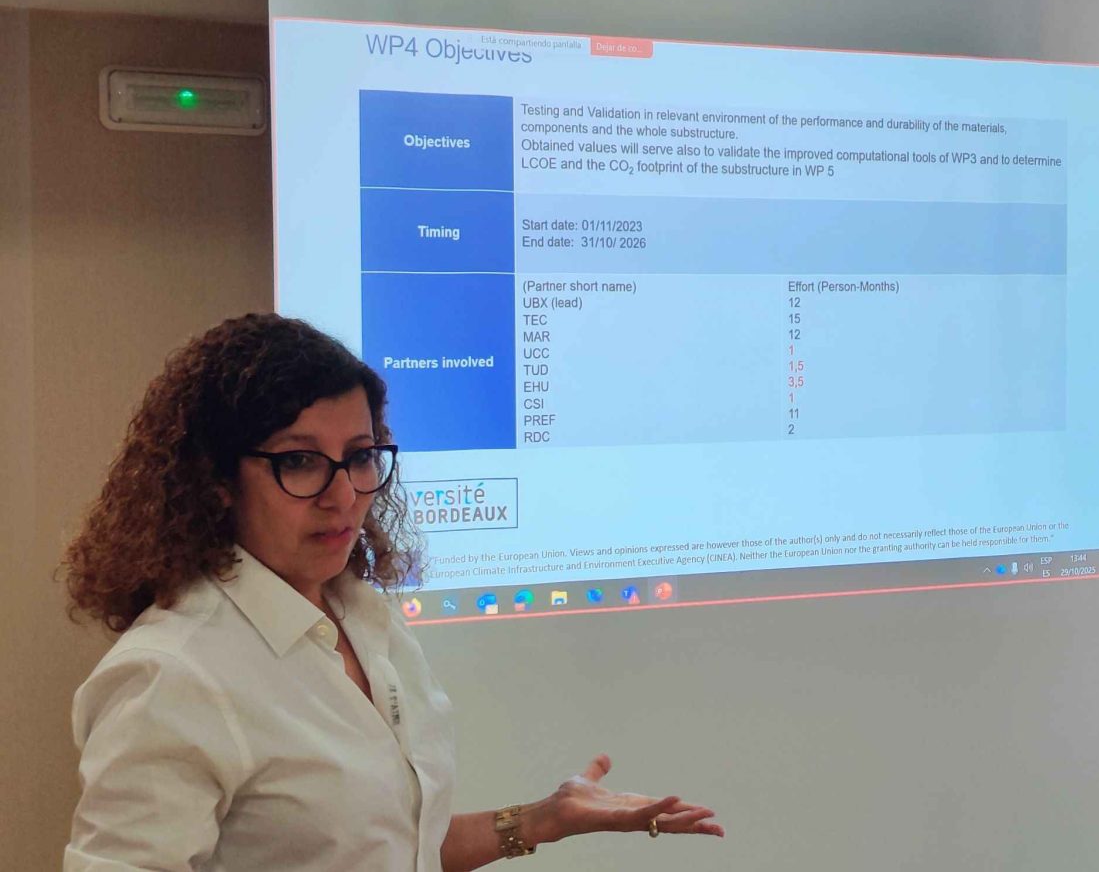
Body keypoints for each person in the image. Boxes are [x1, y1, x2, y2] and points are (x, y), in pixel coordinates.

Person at [62, 313, 722, 871]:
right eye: (299, 461)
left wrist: (541, 821)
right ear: (216, 480)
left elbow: (392, 847)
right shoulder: (172, 674)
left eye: (359, 455)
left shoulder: (363, 617)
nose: (343, 494)